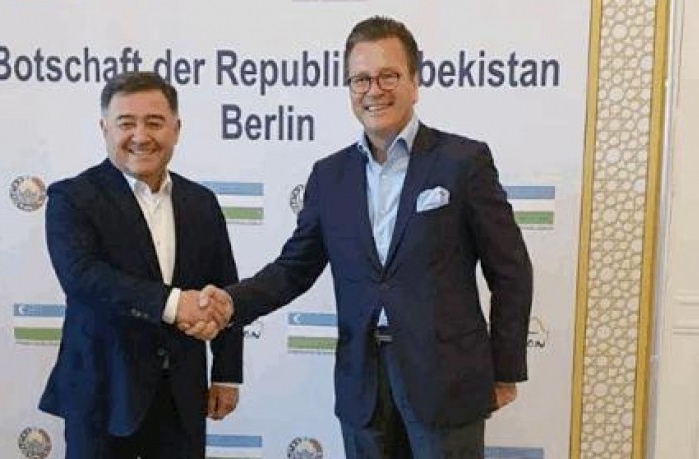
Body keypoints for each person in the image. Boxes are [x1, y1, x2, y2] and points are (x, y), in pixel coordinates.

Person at [190, 16, 533, 459]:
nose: (374, 90)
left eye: (389, 75)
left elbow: (510, 270)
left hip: (447, 380)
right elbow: (293, 270)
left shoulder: (463, 162)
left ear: (415, 82)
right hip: (362, 382)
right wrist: (231, 302)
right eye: (361, 79)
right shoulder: (329, 176)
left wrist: (505, 368)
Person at [39, 71, 242, 459]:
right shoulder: (73, 198)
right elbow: (83, 278)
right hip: (102, 394)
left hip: (181, 396)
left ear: (176, 129)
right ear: (104, 129)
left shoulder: (201, 202)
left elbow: (225, 290)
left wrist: (227, 373)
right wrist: (174, 304)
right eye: (126, 123)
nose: (141, 135)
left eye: (154, 122)